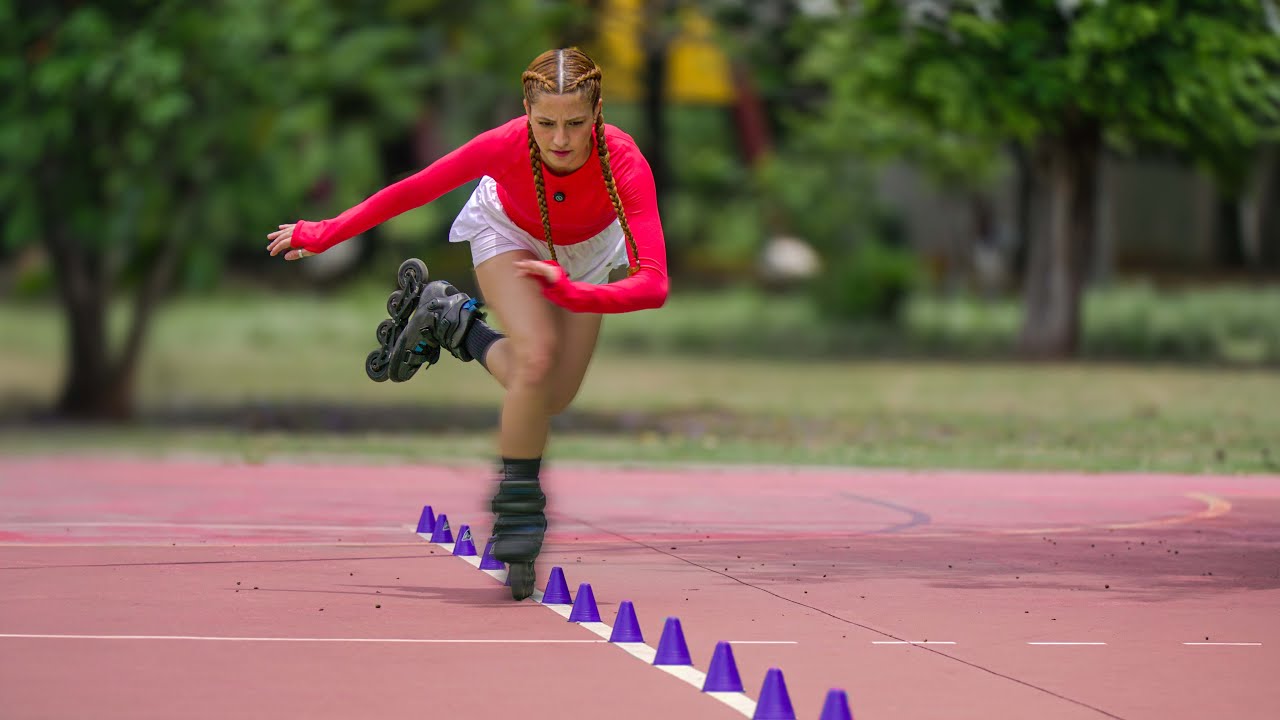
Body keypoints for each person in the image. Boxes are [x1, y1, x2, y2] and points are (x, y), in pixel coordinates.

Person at [265, 48, 669, 600]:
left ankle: (454, 322)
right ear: (526, 111)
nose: (560, 139)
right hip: (510, 234)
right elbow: (414, 189)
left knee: (552, 397)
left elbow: (653, 283)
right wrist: (325, 232)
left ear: (597, 113)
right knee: (535, 360)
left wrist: (573, 291)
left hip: (589, 254)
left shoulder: (623, 161)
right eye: (546, 123)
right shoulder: (504, 145)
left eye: (576, 123)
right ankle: (519, 512)